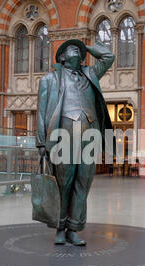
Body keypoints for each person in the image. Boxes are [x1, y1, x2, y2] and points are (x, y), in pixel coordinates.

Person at [35, 39, 115, 246]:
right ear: (61, 58)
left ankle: (74, 228)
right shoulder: (50, 79)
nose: (77, 51)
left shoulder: (90, 74)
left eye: (79, 50)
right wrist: (41, 143)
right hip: (64, 137)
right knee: (64, 184)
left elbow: (108, 57)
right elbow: (42, 112)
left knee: (83, 184)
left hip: (90, 136)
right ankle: (59, 228)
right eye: (72, 49)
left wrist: (86, 47)